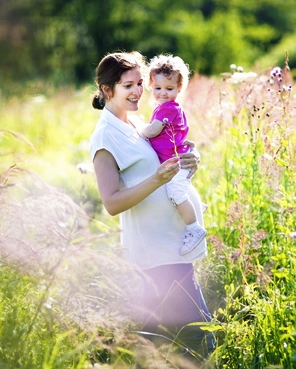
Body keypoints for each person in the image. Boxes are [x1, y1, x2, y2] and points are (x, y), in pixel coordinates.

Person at [89, 51, 215, 361]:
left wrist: (190, 161)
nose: (137, 92)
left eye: (139, 84)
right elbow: (112, 203)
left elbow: (166, 157)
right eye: (127, 86)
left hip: (172, 246)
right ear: (107, 91)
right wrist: (158, 180)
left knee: (171, 345)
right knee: (196, 342)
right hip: (155, 255)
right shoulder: (105, 136)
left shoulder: (135, 124)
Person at [139, 54, 207, 255]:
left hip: (178, 162)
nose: (163, 93)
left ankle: (194, 228)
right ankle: (194, 205)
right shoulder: (165, 108)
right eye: (158, 88)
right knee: (178, 191)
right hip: (177, 160)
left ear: (179, 88)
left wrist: (138, 130)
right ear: (151, 85)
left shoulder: (168, 108)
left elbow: (152, 131)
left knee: (175, 193)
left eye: (169, 89)